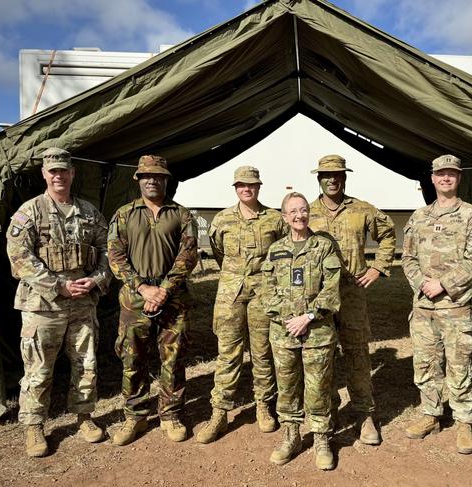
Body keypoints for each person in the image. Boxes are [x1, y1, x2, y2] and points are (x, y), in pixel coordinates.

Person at [6, 147, 111, 457]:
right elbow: (19, 256)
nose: (58, 175)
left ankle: (84, 417)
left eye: (63, 170)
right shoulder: (30, 212)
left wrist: (96, 280)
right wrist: (58, 286)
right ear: (44, 174)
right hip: (43, 304)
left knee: (85, 363)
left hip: (82, 300)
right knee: (39, 367)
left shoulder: (89, 212)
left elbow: (108, 251)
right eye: (53, 171)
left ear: (72, 173)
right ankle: (34, 426)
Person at [402, 154, 472, 454]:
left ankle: (465, 420)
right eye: (440, 174)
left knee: (459, 364)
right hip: (424, 306)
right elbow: (408, 257)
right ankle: (431, 413)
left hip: (457, 306)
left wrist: (443, 284)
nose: (445, 178)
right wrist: (421, 285)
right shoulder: (419, 217)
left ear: (459, 178)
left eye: (451, 173)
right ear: (432, 178)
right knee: (425, 364)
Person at [107, 155, 198, 445]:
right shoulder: (124, 214)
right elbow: (115, 256)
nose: (151, 180)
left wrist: (164, 290)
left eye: (157, 176)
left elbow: (188, 255)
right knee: (133, 357)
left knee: (173, 358)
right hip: (135, 299)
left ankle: (170, 414)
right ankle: (135, 416)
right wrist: (143, 288)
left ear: (166, 180)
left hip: (173, 298)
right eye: (146, 176)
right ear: (138, 180)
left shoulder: (181, 214)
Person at [308, 154, 395, 445]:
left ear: (345, 177)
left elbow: (388, 234)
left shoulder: (362, 209)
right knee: (324, 353)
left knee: (357, 352)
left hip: (352, 292)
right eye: (327, 175)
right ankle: (328, 411)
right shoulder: (307, 212)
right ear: (318, 178)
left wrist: (377, 267)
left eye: (339, 174)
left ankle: (364, 414)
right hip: (319, 295)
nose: (333, 179)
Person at [196, 166, 286, 444]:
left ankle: (263, 406)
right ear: (235, 187)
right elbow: (219, 254)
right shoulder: (222, 219)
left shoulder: (275, 219)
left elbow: (283, 252)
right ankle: (220, 412)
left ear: (259, 187)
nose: (247, 189)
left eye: (252, 185)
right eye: (241, 185)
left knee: (262, 353)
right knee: (228, 354)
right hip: (231, 295)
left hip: (263, 294)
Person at [262, 192, 342, 470]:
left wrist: (307, 317)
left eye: (304, 209)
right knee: (286, 387)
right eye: (293, 211)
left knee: (319, 387)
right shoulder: (275, 250)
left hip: (317, 332)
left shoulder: (323, 246)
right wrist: (289, 319)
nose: (299, 215)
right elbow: (267, 291)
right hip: (284, 333)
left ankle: (321, 438)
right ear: (284, 217)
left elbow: (332, 288)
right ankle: (291, 435)